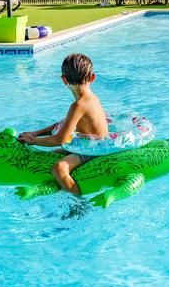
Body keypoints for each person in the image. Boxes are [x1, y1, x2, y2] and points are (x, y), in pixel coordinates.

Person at [18, 53, 109, 195]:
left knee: (59, 168)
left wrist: (33, 141)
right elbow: (64, 124)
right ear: (92, 77)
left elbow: (60, 140)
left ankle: (78, 204)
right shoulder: (90, 98)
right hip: (87, 145)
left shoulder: (79, 105)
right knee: (48, 157)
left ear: (64, 80)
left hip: (95, 150)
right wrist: (35, 133)